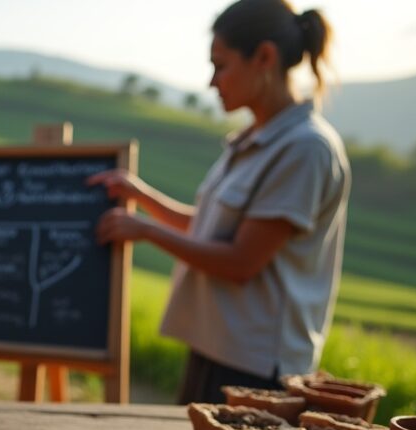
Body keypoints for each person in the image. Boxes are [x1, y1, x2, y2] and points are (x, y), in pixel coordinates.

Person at [89, 0, 350, 404]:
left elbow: (240, 261)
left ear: (264, 57)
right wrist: (141, 196)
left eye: (221, 65)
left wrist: (145, 229)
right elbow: (213, 227)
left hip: (256, 370)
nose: (213, 82)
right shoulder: (254, 140)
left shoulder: (305, 149)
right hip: (218, 349)